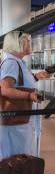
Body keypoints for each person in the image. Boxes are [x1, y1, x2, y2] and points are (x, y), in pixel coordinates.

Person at [0, 31, 50, 160]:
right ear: (18, 44)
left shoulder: (18, 63)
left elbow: (19, 83)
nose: (29, 44)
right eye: (27, 41)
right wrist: (29, 96)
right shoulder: (11, 63)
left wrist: (36, 77)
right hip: (16, 124)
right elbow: (5, 89)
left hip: (22, 121)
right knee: (18, 159)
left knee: (23, 157)